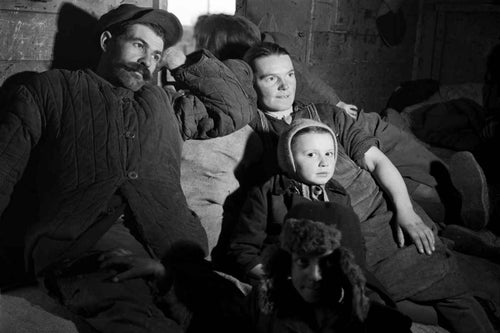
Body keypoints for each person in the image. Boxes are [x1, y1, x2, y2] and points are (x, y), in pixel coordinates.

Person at [0, 4, 255, 333]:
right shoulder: (48, 90)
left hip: (173, 245)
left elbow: (234, 107)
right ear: (107, 41)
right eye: (139, 45)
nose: (147, 60)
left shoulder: (165, 102)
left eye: (156, 54)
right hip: (86, 244)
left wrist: (181, 61)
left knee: (234, 314)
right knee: (137, 319)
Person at [234, 41, 495, 333]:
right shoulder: (258, 132)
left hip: (383, 217)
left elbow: (377, 162)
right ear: (252, 83)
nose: (285, 85)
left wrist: (405, 211)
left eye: (290, 74)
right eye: (271, 78)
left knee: (451, 290)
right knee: (388, 311)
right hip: (345, 239)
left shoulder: (326, 114)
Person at [246, 202, 413, 333]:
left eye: (327, 263)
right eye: (303, 262)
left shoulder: (385, 325)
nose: (314, 275)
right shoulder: (261, 308)